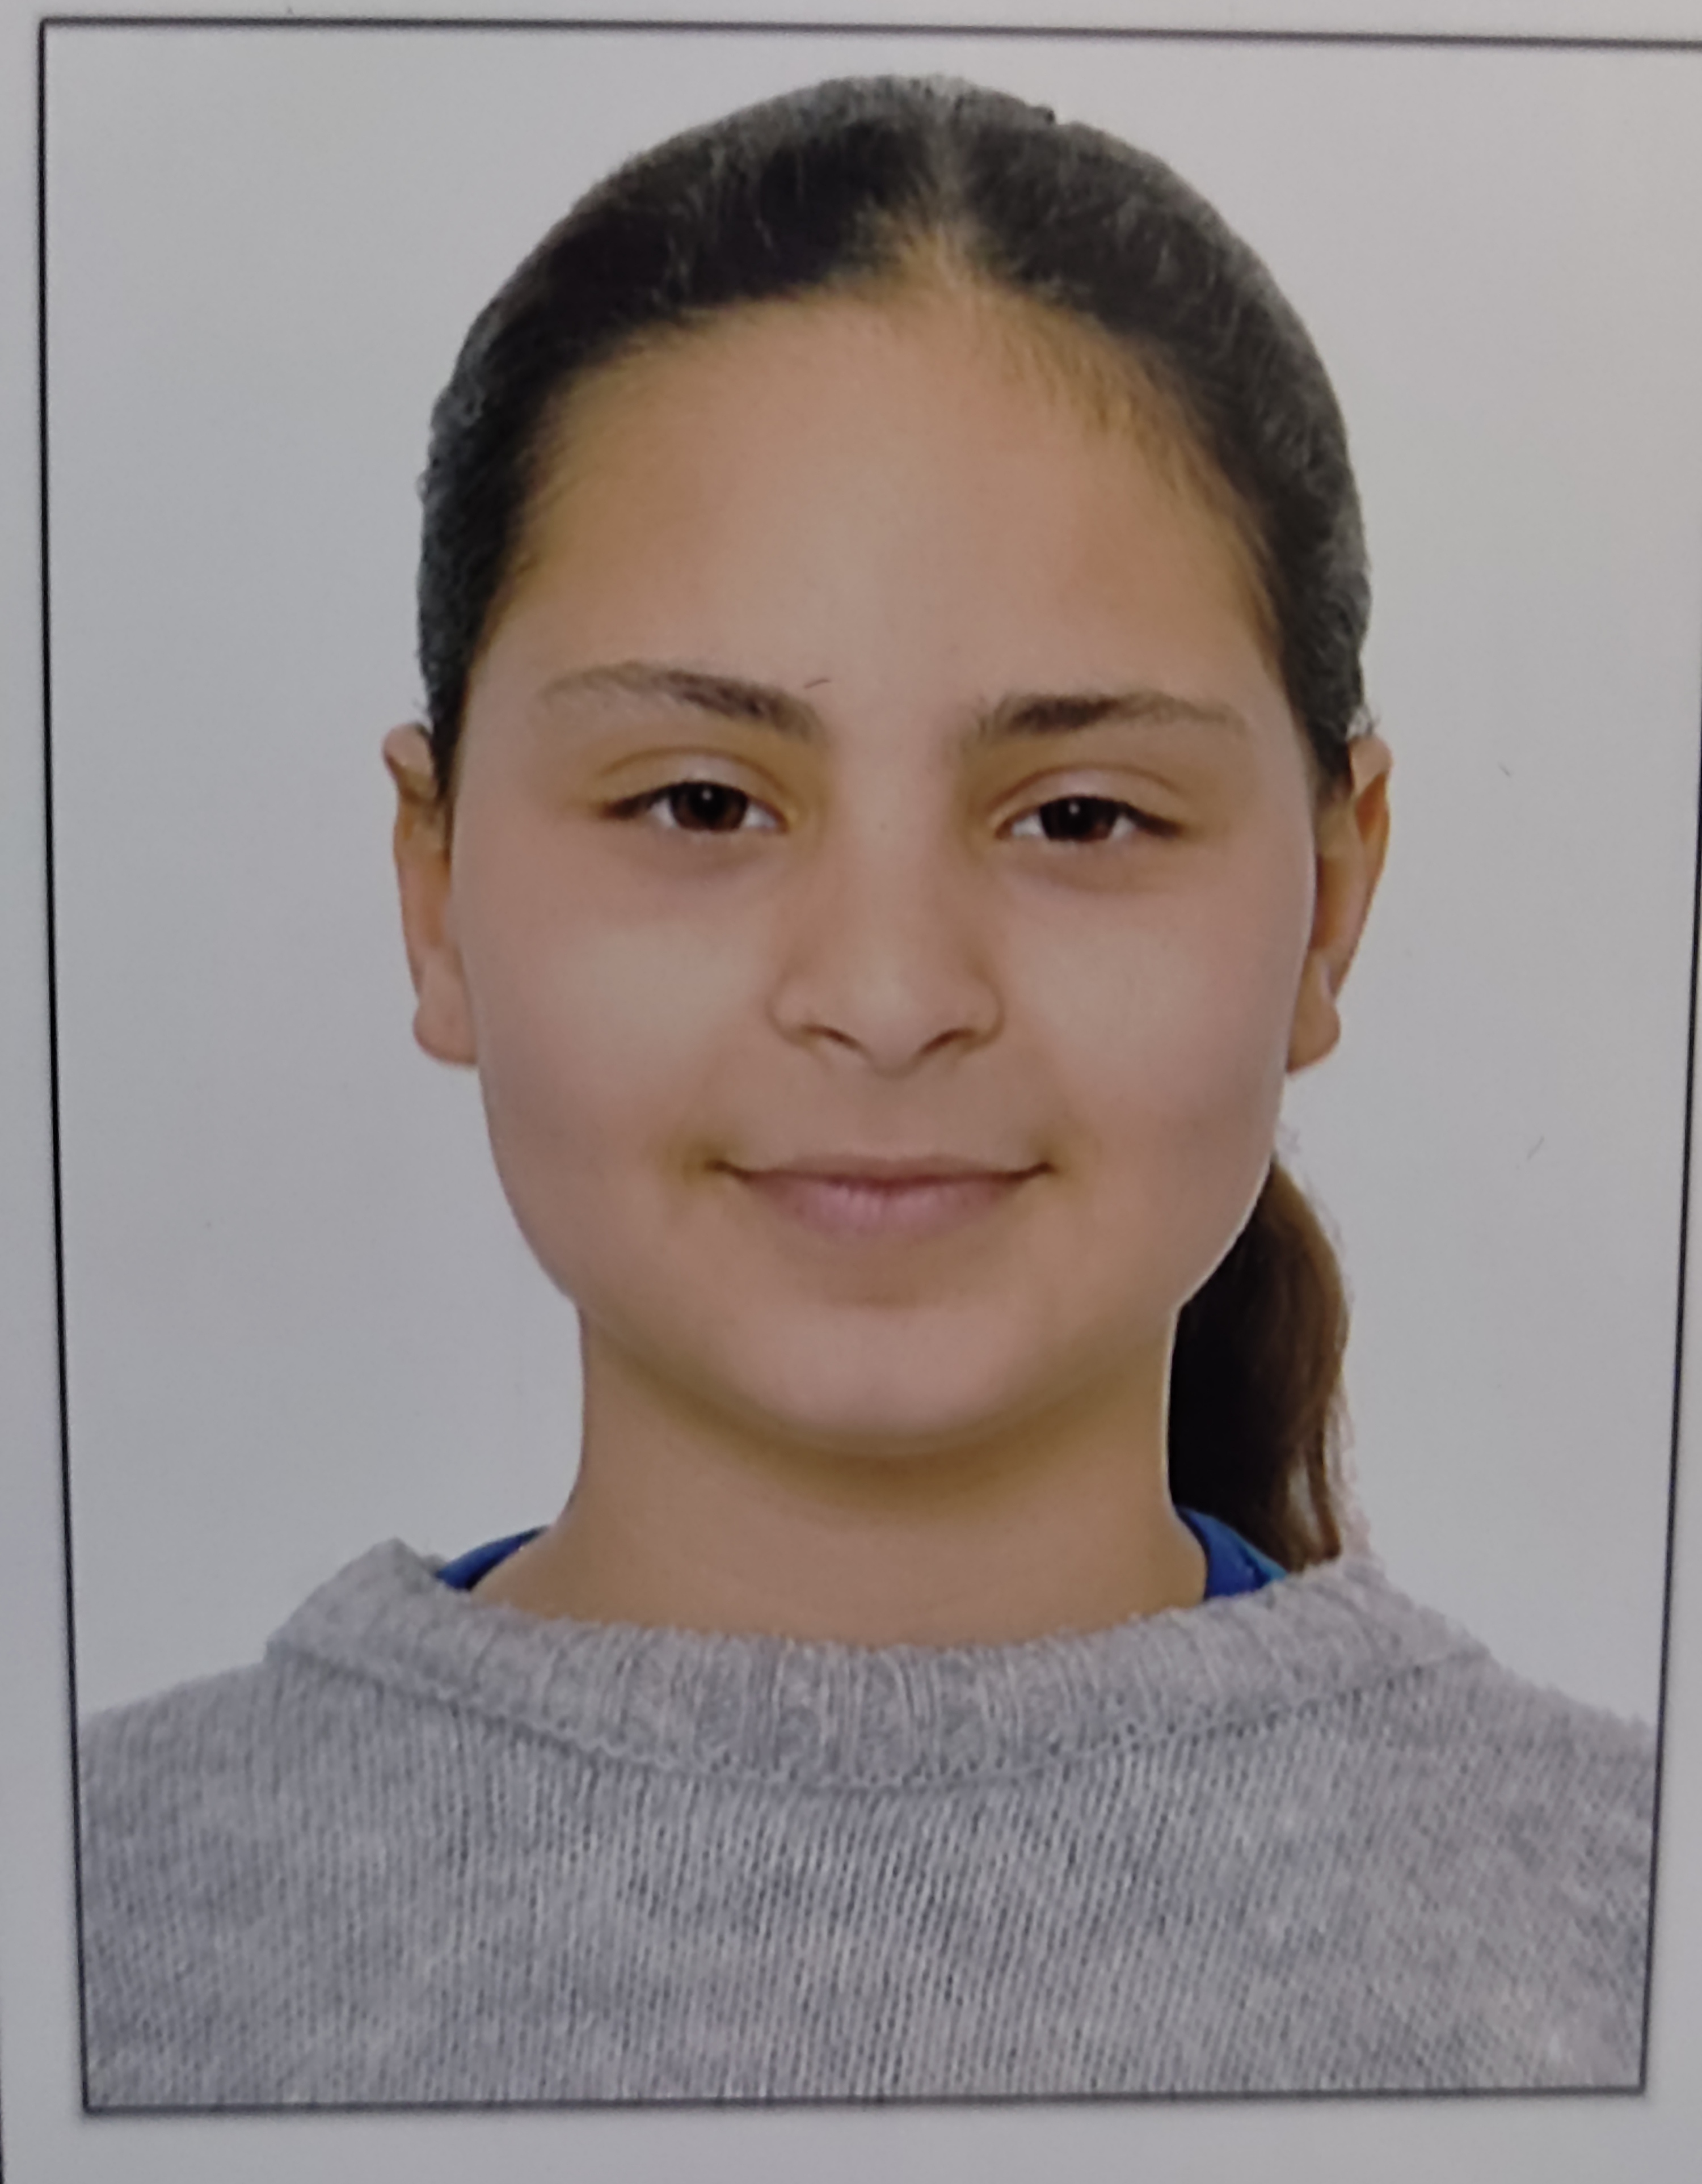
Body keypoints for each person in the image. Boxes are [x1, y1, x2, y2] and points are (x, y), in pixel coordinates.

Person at [78, 73, 1654, 2107]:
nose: (891, 998)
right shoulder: (97, 1930)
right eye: (702, 801)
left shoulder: (1624, 1941)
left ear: (1332, 904)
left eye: (1079, 815)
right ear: (435, 885)